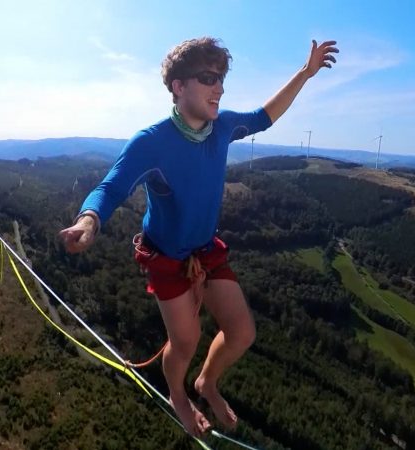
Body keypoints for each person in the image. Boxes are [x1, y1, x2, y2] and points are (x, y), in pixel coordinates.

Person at [58, 37, 338, 437]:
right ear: (178, 86)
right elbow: (111, 187)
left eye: (221, 79)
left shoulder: (221, 127)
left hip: (205, 250)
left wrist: (305, 74)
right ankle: (178, 393)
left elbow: (264, 116)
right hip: (167, 257)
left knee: (242, 333)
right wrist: (89, 221)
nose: (219, 88)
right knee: (185, 342)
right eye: (208, 78)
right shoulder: (151, 143)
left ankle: (207, 382)